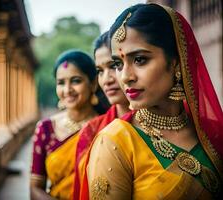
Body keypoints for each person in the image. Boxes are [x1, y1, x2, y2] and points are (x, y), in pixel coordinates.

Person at [81, 3, 223, 199]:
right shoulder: (115, 141)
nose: (125, 77)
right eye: (118, 64)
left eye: (139, 59)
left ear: (175, 61)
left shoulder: (210, 133)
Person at [30, 50, 107, 200]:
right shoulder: (45, 128)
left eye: (76, 81)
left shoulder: (107, 126)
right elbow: (34, 188)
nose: (67, 90)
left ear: (93, 83)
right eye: (61, 83)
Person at [73, 32, 130, 200]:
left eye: (114, 65)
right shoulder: (91, 131)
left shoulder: (172, 124)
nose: (106, 79)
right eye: (100, 70)